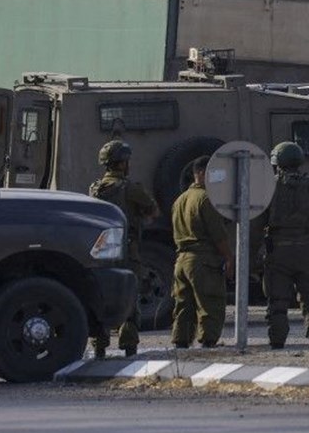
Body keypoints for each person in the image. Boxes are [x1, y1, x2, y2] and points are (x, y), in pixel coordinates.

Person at [262, 141, 309, 349]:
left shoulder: (268, 186)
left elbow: (257, 221)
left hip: (277, 251)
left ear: (277, 162)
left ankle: (277, 342)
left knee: (277, 302)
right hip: (307, 249)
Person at [89, 140, 159, 359]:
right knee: (130, 295)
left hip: (101, 250)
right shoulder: (130, 188)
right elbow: (152, 211)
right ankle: (129, 346)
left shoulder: (95, 188)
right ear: (121, 164)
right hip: (127, 250)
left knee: (100, 296)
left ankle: (99, 346)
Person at [170, 156, 235, 348]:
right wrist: (228, 257)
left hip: (181, 260)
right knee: (210, 303)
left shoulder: (180, 199)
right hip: (202, 260)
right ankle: (208, 343)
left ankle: (181, 343)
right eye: (211, 173)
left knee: (183, 306)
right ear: (199, 174)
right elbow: (218, 234)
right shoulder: (206, 198)